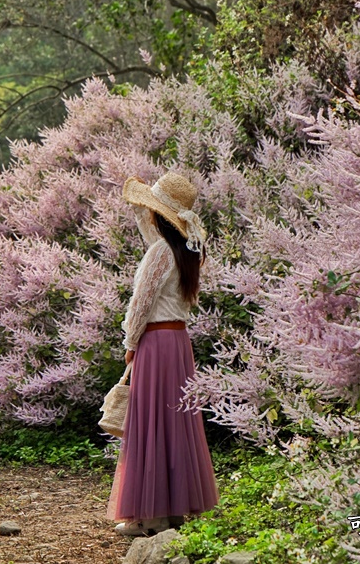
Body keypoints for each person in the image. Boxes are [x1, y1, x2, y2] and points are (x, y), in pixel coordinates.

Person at [107, 171, 220, 537]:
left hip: (155, 343)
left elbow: (141, 303)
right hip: (178, 343)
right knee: (175, 424)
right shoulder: (188, 252)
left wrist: (130, 343)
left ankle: (151, 517)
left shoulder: (159, 253)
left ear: (158, 215)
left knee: (151, 422)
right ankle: (172, 512)